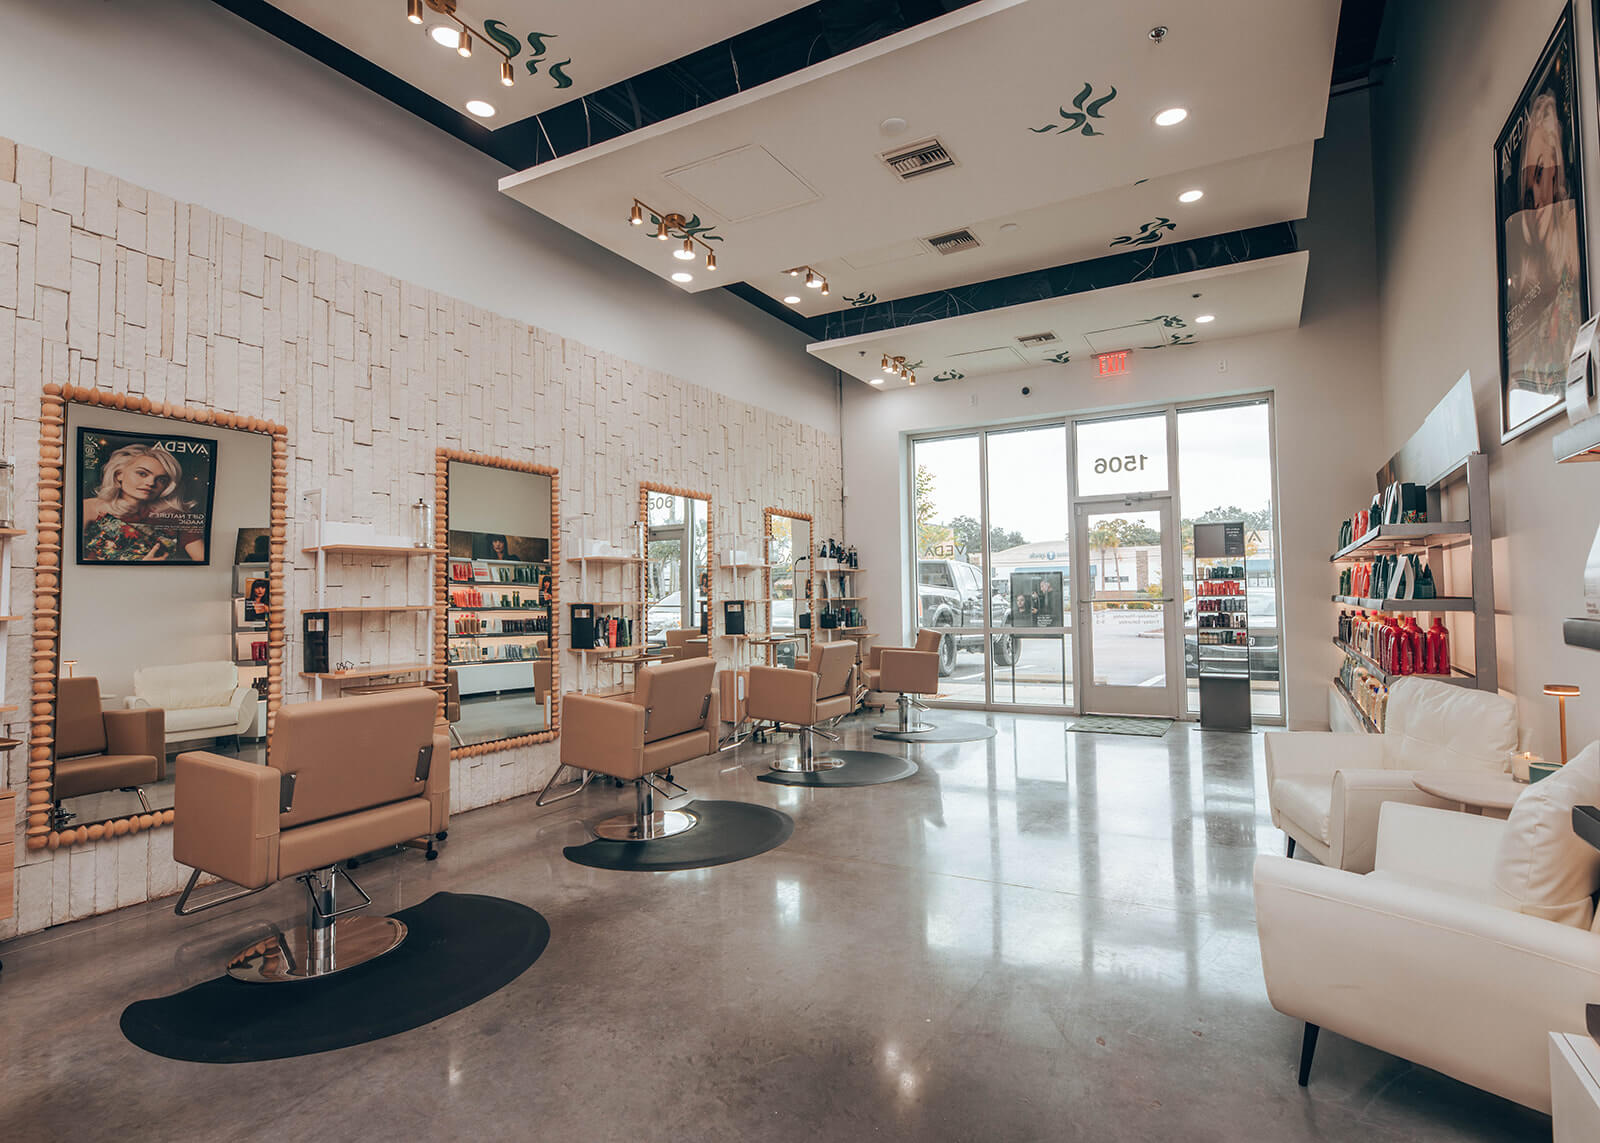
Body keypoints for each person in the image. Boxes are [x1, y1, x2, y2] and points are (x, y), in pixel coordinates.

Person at [81, 442, 206, 562]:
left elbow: (203, 561)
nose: (151, 483)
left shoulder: (175, 516)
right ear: (119, 474)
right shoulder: (90, 507)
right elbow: (73, 561)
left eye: (161, 480)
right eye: (142, 474)